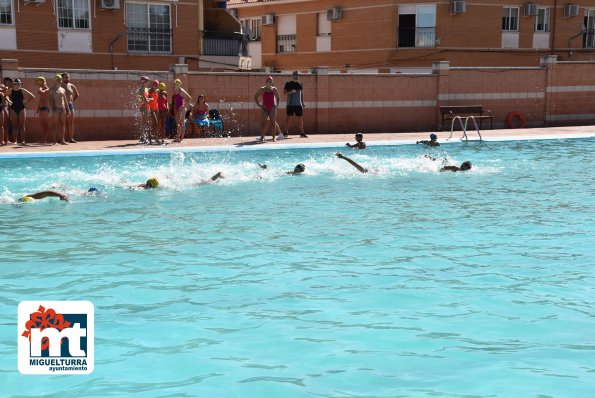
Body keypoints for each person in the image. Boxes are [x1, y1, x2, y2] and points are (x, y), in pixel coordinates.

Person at [9, 78, 35, 145]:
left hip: (21, 108)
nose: (19, 84)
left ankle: (23, 141)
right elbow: (5, 95)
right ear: (14, 84)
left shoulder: (22, 90)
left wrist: (25, 102)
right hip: (13, 108)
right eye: (17, 83)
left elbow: (32, 96)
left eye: (20, 83)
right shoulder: (10, 91)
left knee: (22, 125)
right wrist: (9, 101)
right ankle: (15, 141)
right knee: (14, 125)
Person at [254, 76, 280, 142]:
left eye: (270, 81)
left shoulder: (274, 89)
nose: (269, 82)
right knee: (263, 123)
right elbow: (255, 97)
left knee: (273, 123)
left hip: (272, 108)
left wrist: (276, 105)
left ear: (272, 82)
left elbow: (278, 97)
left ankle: (273, 138)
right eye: (268, 81)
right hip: (264, 108)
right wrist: (259, 105)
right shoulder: (262, 89)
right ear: (265, 82)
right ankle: (262, 137)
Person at [283, 71, 308, 138]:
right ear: (292, 75)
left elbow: (301, 94)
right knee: (288, 119)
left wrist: (302, 103)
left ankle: (302, 133)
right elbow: (284, 93)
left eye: (297, 75)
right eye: (295, 75)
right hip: (290, 105)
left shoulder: (300, 84)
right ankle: (285, 133)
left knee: (300, 119)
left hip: (298, 105)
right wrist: (291, 92)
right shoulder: (288, 83)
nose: (296, 76)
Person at [49, 74, 69, 145]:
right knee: (55, 125)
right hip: (56, 109)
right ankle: (54, 141)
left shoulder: (63, 90)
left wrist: (68, 109)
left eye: (60, 80)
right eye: (58, 80)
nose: (59, 81)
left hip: (63, 109)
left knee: (63, 125)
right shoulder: (51, 90)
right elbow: (50, 101)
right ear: (55, 80)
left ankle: (62, 140)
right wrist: (53, 109)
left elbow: (65, 100)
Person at [172, 79, 192, 143]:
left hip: (182, 109)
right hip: (177, 109)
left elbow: (189, 98)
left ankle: (181, 138)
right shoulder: (175, 91)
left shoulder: (182, 91)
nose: (175, 85)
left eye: (176, 84)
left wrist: (184, 106)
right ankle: (178, 137)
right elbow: (175, 101)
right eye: (175, 84)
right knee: (178, 124)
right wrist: (175, 108)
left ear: (179, 84)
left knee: (182, 124)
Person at [61, 72, 79, 143]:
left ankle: (71, 138)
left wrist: (72, 101)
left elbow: (77, 94)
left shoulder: (71, 85)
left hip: (70, 106)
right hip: (62, 106)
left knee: (70, 123)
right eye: (66, 77)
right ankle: (61, 139)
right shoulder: (60, 86)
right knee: (62, 123)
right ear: (62, 78)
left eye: (68, 77)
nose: (67, 79)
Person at [35, 77, 51, 144]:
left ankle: (45, 140)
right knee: (42, 125)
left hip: (45, 109)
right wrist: (38, 108)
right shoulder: (43, 88)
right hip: (41, 109)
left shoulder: (47, 89)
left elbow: (40, 92)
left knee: (45, 125)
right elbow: (40, 100)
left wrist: (41, 87)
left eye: (39, 82)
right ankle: (43, 140)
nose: (38, 83)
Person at [137, 76, 152, 143]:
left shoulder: (146, 89)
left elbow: (143, 99)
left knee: (145, 123)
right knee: (144, 123)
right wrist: (151, 99)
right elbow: (142, 100)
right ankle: (143, 137)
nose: (149, 82)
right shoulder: (141, 89)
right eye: (148, 81)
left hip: (147, 106)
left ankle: (143, 137)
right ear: (144, 82)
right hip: (144, 107)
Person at [147, 80, 160, 144]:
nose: (156, 86)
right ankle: (151, 138)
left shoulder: (157, 91)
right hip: (151, 108)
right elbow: (146, 98)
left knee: (156, 124)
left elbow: (156, 100)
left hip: (156, 108)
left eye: (157, 85)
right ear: (153, 85)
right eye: (155, 85)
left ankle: (155, 138)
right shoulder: (150, 91)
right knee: (155, 122)